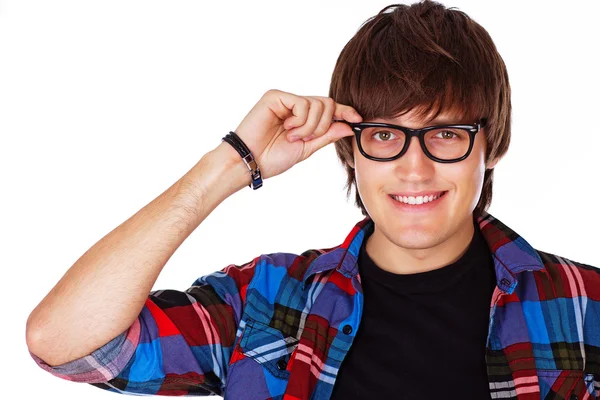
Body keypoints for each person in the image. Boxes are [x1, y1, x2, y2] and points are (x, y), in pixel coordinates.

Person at [25, 1, 600, 399]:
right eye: (384, 135)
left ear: (491, 143)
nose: (414, 167)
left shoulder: (586, 306)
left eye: (446, 134)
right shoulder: (266, 302)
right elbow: (67, 344)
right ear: (350, 148)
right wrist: (229, 165)